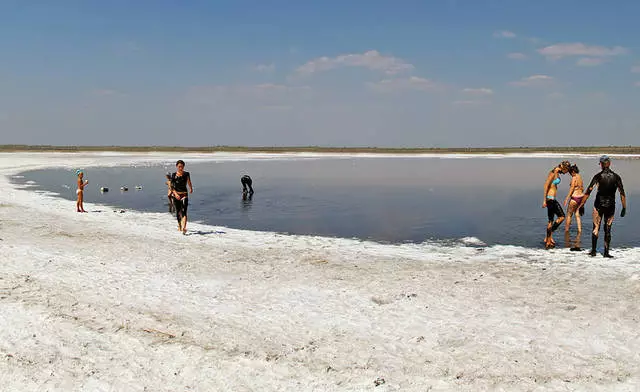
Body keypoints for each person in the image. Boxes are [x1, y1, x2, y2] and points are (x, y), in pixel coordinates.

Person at [578, 155, 627, 258]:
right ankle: (606, 252)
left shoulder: (598, 176)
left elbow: (588, 191)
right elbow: (622, 193)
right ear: (609, 164)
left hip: (599, 205)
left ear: (601, 164)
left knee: (596, 227)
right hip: (611, 206)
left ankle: (594, 251)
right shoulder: (616, 177)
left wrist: (582, 205)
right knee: (608, 229)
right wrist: (624, 207)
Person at [542, 160, 570, 248]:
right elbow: (546, 185)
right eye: (567, 170)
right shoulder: (553, 173)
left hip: (552, 199)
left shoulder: (557, 172)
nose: (566, 173)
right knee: (561, 217)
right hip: (550, 199)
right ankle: (548, 239)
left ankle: (548, 238)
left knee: (551, 220)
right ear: (563, 168)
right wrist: (544, 200)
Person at [170, 160, 193, 235]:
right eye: (179, 166)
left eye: (182, 166)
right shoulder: (173, 175)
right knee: (178, 211)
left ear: (184, 166)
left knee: (184, 211)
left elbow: (189, 181)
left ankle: (184, 227)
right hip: (176, 195)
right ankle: (179, 225)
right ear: (176, 166)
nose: (180, 168)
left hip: (184, 194)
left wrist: (191, 188)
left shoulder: (186, 174)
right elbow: (171, 187)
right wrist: (175, 194)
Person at [563, 164, 585, 234]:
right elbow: (582, 188)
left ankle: (566, 231)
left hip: (574, 198)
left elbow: (572, 188)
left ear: (572, 172)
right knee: (577, 214)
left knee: (569, 215)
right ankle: (580, 231)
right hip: (581, 197)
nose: (570, 175)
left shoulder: (574, 178)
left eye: (570, 173)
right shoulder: (580, 177)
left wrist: (566, 199)